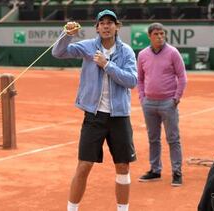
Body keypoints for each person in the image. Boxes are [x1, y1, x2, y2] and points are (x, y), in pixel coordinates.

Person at [52, 9, 138, 211]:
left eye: (110, 23)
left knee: (123, 167)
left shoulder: (126, 51)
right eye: (102, 23)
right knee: (84, 165)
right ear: (97, 28)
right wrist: (67, 35)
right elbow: (58, 52)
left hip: (119, 117)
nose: (106, 26)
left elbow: (132, 80)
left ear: (117, 27)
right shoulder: (88, 47)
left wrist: (107, 65)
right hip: (94, 116)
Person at [137, 22, 187, 187]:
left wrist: (176, 97)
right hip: (149, 103)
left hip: (168, 103)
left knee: (173, 139)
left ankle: (177, 172)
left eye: (162, 34)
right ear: (149, 36)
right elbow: (140, 78)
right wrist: (142, 97)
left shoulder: (173, 52)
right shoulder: (143, 55)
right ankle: (155, 170)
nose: (160, 37)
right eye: (156, 34)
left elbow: (182, 76)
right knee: (153, 139)